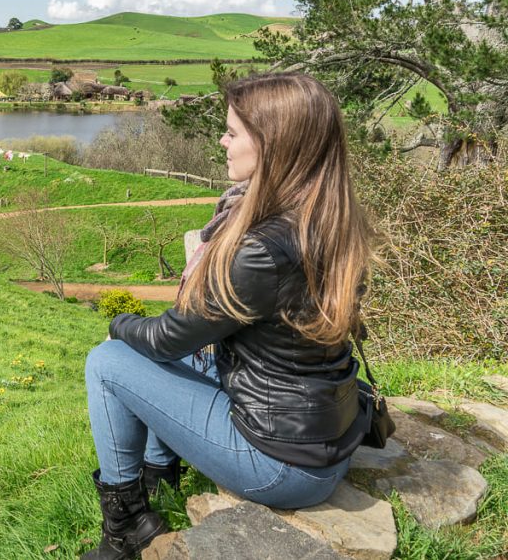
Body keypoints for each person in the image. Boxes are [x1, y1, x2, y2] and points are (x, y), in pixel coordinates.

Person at [81, 72, 375, 560]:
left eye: (233, 132)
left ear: (273, 144)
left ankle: (126, 528)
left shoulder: (261, 250)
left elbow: (165, 340)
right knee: (192, 350)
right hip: (327, 437)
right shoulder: (329, 218)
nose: (222, 141)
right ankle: (159, 472)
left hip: (282, 465)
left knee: (110, 361)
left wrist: (118, 324)